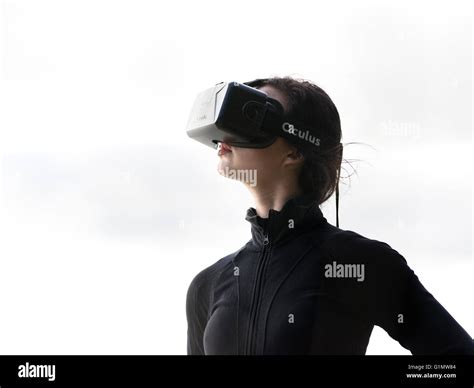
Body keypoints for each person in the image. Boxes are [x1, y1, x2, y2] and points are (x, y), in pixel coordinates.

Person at [186, 76, 474, 355]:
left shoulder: (358, 263)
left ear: (294, 152)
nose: (226, 132)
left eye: (251, 115)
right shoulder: (207, 285)